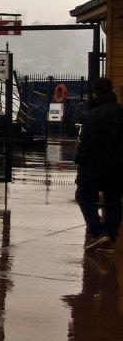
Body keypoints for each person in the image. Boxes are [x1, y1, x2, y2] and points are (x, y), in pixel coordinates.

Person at [74, 77, 123, 252]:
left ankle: (98, 232)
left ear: (95, 92)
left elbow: (86, 143)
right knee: (114, 198)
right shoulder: (120, 112)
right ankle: (111, 236)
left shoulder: (94, 115)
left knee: (83, 195)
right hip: (118, 165)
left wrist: (78, 159)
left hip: (94, 165)